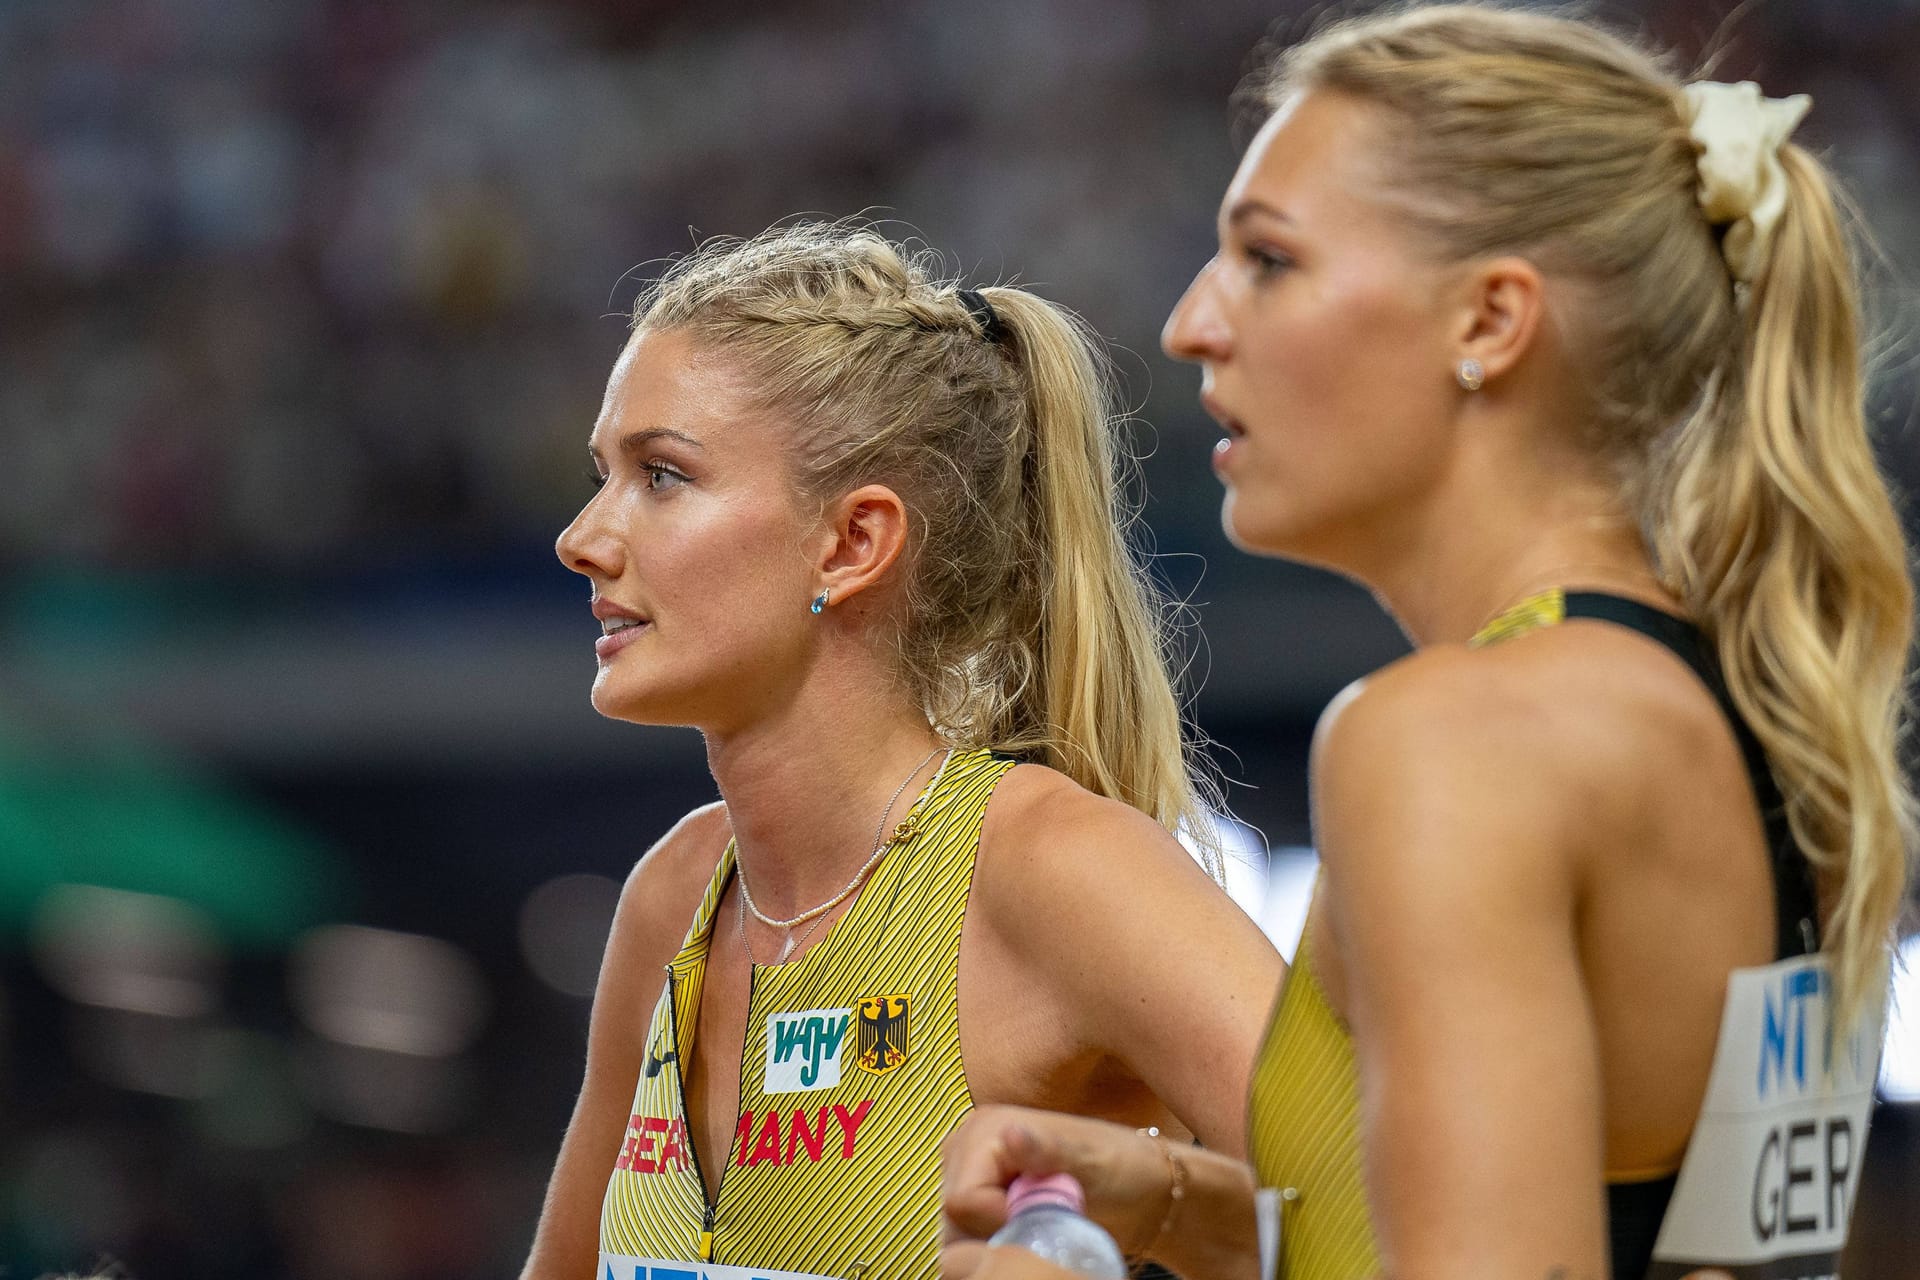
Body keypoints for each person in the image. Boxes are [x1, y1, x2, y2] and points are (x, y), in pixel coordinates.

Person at [942, 6, 1913, 1280]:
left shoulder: (1449, 741)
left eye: (1268, 260)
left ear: (1490, 321)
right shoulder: (1767, 724)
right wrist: (1191, 1213)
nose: (1189, 322)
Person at [519, 222, 1283, 1280]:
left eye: (660, 475)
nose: (583, 535)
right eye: (603, 473)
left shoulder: (1051, 868)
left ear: (852, 541)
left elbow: (1398, 1214)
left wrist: (1150, 1208)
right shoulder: (674, 895)